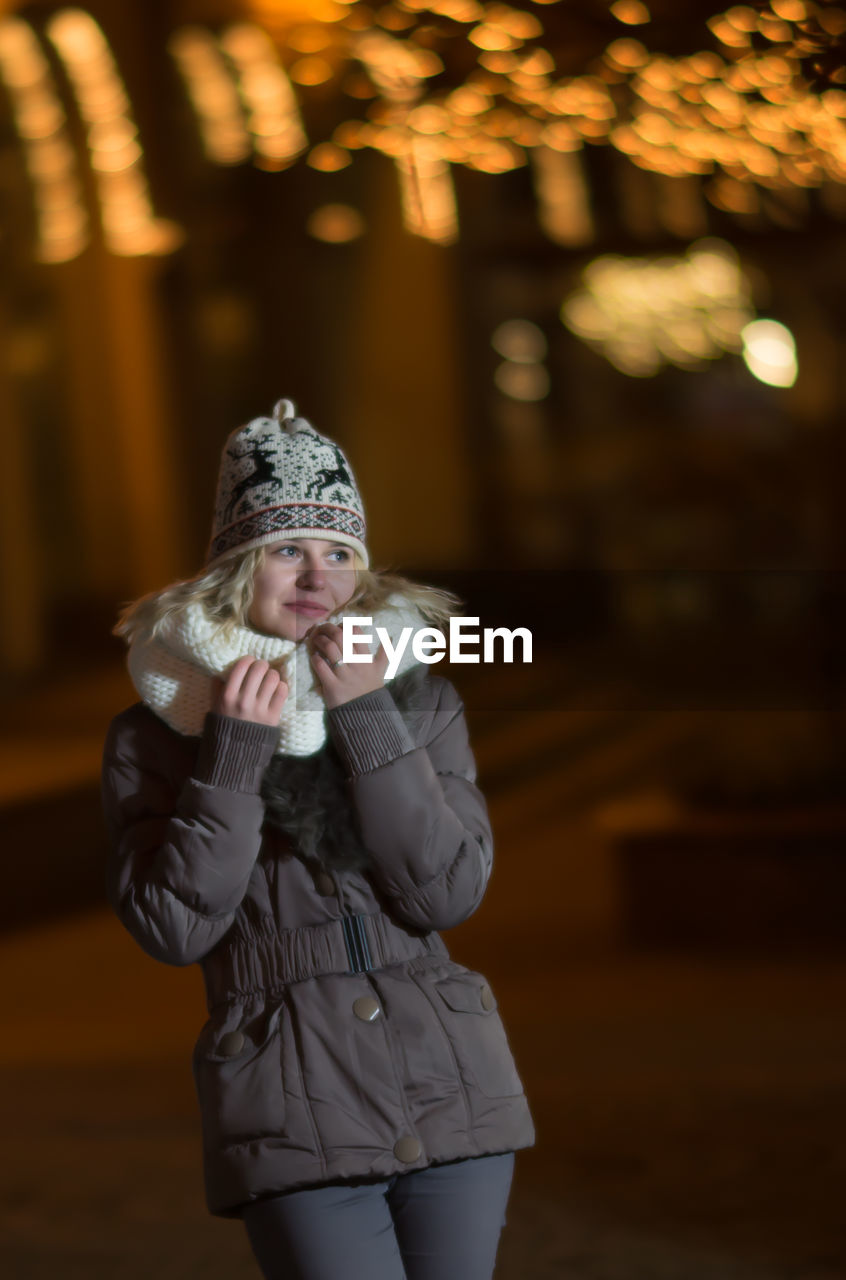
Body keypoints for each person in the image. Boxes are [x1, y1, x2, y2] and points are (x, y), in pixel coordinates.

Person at [100, 398, 535, 1280]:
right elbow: (174, 927)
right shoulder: (155, 732)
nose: (317, 576)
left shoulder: (419, 699)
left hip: (452, 1082)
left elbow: (446, 892)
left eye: (340, 553)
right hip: (288, 1098)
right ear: (236, 567)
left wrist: (369, 721)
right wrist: (232, 754)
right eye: (287, 549)